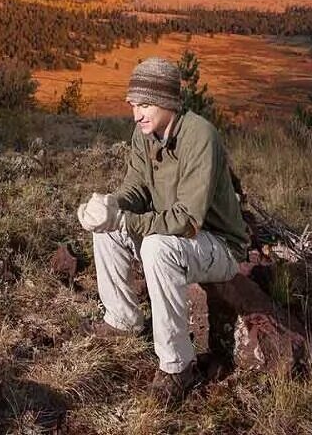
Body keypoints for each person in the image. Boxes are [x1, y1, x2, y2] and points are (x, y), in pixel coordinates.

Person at [77, 56, 248, 407]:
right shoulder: (144, 134)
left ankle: (177, 366)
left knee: (156, 247)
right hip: (176, 236)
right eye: (134, 105)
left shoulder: (199, 135)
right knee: (107, 231)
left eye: (145, 105)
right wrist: (111, 205)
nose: (137, 114)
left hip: (219, 244)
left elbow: (187, 220)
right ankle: (122, 319)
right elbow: (136, 190)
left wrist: (125, 220)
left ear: (168, 102)